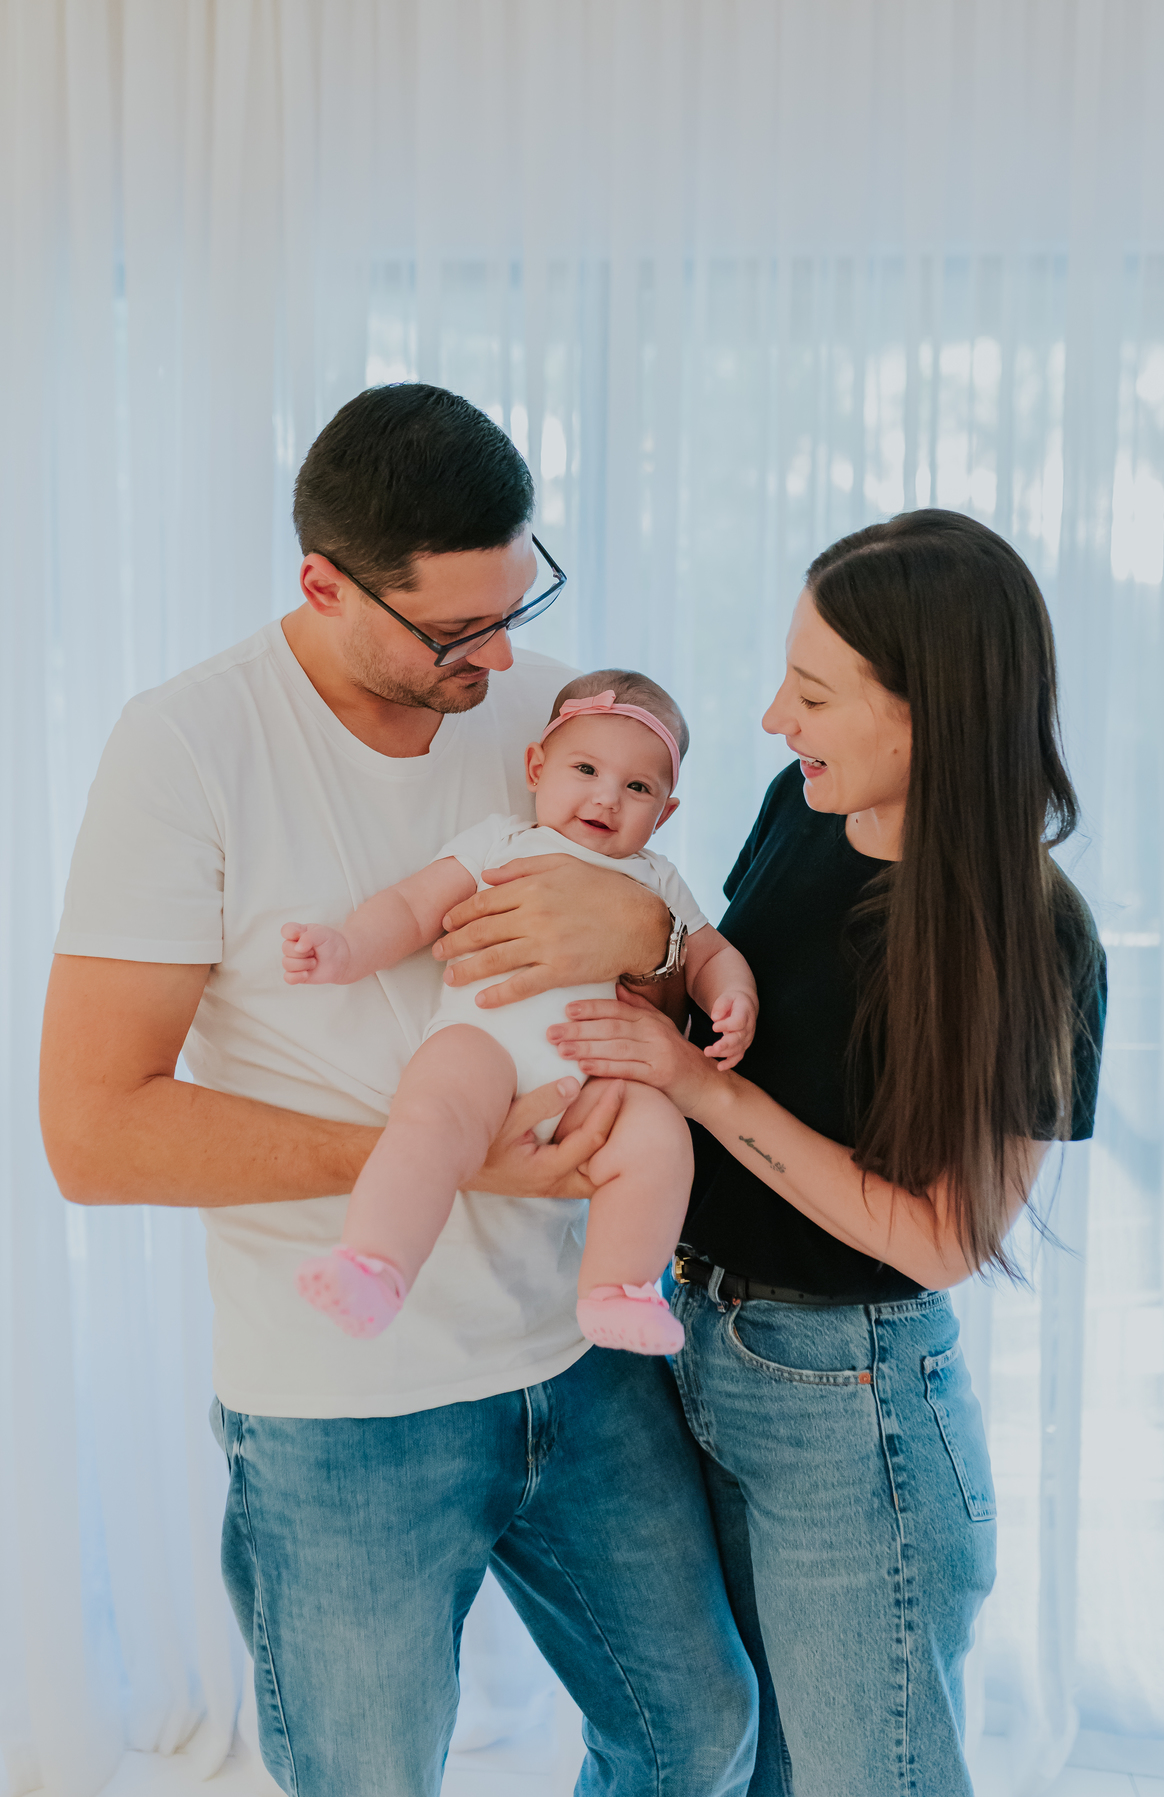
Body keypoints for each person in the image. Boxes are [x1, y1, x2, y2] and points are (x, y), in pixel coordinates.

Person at [39, 384, 758, 1796]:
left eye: (516, 602)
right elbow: (96, 1132)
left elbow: (667, 962)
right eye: (454, 631)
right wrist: (445, 1155)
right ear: (323, 583)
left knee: (698, 1732)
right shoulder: (187, 748)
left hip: (580, 1355)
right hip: (345, 1410)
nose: (497, 655)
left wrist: (658, 941)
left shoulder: (551, 718)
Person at [543, 511, 1108, 1796]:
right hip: (694, 1341)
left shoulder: (1033, 937)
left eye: (811, 694)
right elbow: (713, 997)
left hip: (851, 1412)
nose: (771, 721)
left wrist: (690, 1082)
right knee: (739, 1763)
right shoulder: (797, 811)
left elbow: (940, 1240)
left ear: (928, 713)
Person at [284, 670, 758, 1353]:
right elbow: (415, 906)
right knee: (432, 1119)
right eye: (586, 768)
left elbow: (708, 953)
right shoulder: (501, 842)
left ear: (667, 811)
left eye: (638, 787)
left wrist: (732, 996)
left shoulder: (658, 878)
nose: (606, 797)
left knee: (661, 1140)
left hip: (602, 1074)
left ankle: (616, 1289)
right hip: (486, 1042)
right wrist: (347, 947)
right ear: (538, 766)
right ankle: (374, 1263)